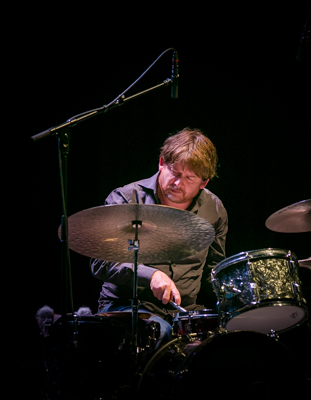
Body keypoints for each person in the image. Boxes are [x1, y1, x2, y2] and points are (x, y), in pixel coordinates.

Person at [90, 128, 228, 348]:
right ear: (161, 163)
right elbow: (101, 262)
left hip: (184, 313)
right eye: (174, 172)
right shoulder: (126, 199)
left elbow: (214, 271)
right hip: (128, 308)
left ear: (204, 183)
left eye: (189, 178)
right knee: (160, 334)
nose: (178, 183)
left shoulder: (215, 210)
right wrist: (151, 275)